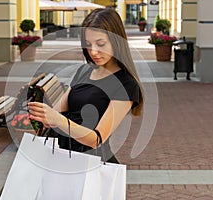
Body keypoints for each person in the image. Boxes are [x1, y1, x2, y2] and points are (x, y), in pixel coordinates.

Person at [28, 8, 144, 163]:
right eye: (88, 44)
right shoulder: (84, 70)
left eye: (100, 44)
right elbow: (59, 110)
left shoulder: (126, 84)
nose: (93, 52)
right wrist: (43, 114)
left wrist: (59, 120)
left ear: (116, 41)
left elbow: (96, 139)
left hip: (93, 163)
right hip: (63, 157)